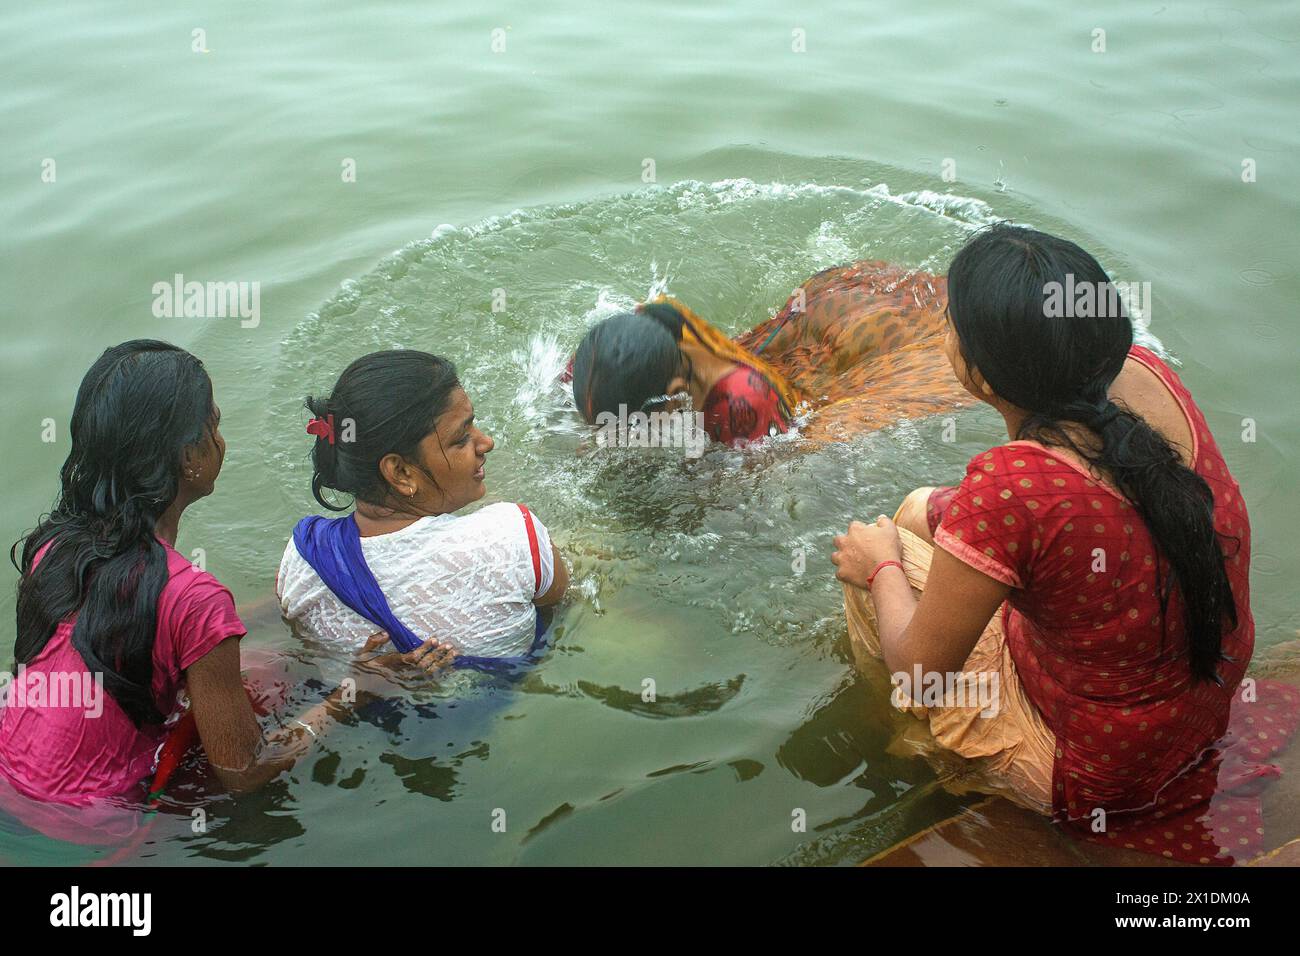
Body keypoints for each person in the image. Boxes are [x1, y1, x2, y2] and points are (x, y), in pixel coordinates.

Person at [832, 224, 1298, 864]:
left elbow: (922, 672)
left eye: (949, 326)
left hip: (1102, 774)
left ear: (981, 376)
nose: (943, 335)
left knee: (873, 567)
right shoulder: (1145, 377)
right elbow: (1086, 515)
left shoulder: (1010, 488)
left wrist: (880, 564)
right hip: (1198, 708)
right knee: (919, 510)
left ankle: (909, 744)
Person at [1, 341, 328, 808]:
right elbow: (244, 772)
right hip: (93, 828)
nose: (221, 440)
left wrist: (281, 607)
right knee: (275, 674)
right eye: (213, 426)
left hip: (10, 789)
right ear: (187, 458)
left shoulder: (52, 546)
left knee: (253, 660)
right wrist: (356, 695)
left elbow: (140, 630)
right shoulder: (195, 597)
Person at [277, 350, 568, 668]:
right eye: (461, 438)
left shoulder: (302, 561)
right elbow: (562, 602)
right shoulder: (512, 535)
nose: (486, 442)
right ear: (400, 473)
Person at [568, 261, 974, 447]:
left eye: (628, 427)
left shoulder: (745, 407)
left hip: (882, 355)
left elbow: (756, 491)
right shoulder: (647, 327)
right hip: (823, 325)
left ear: (675, 391)